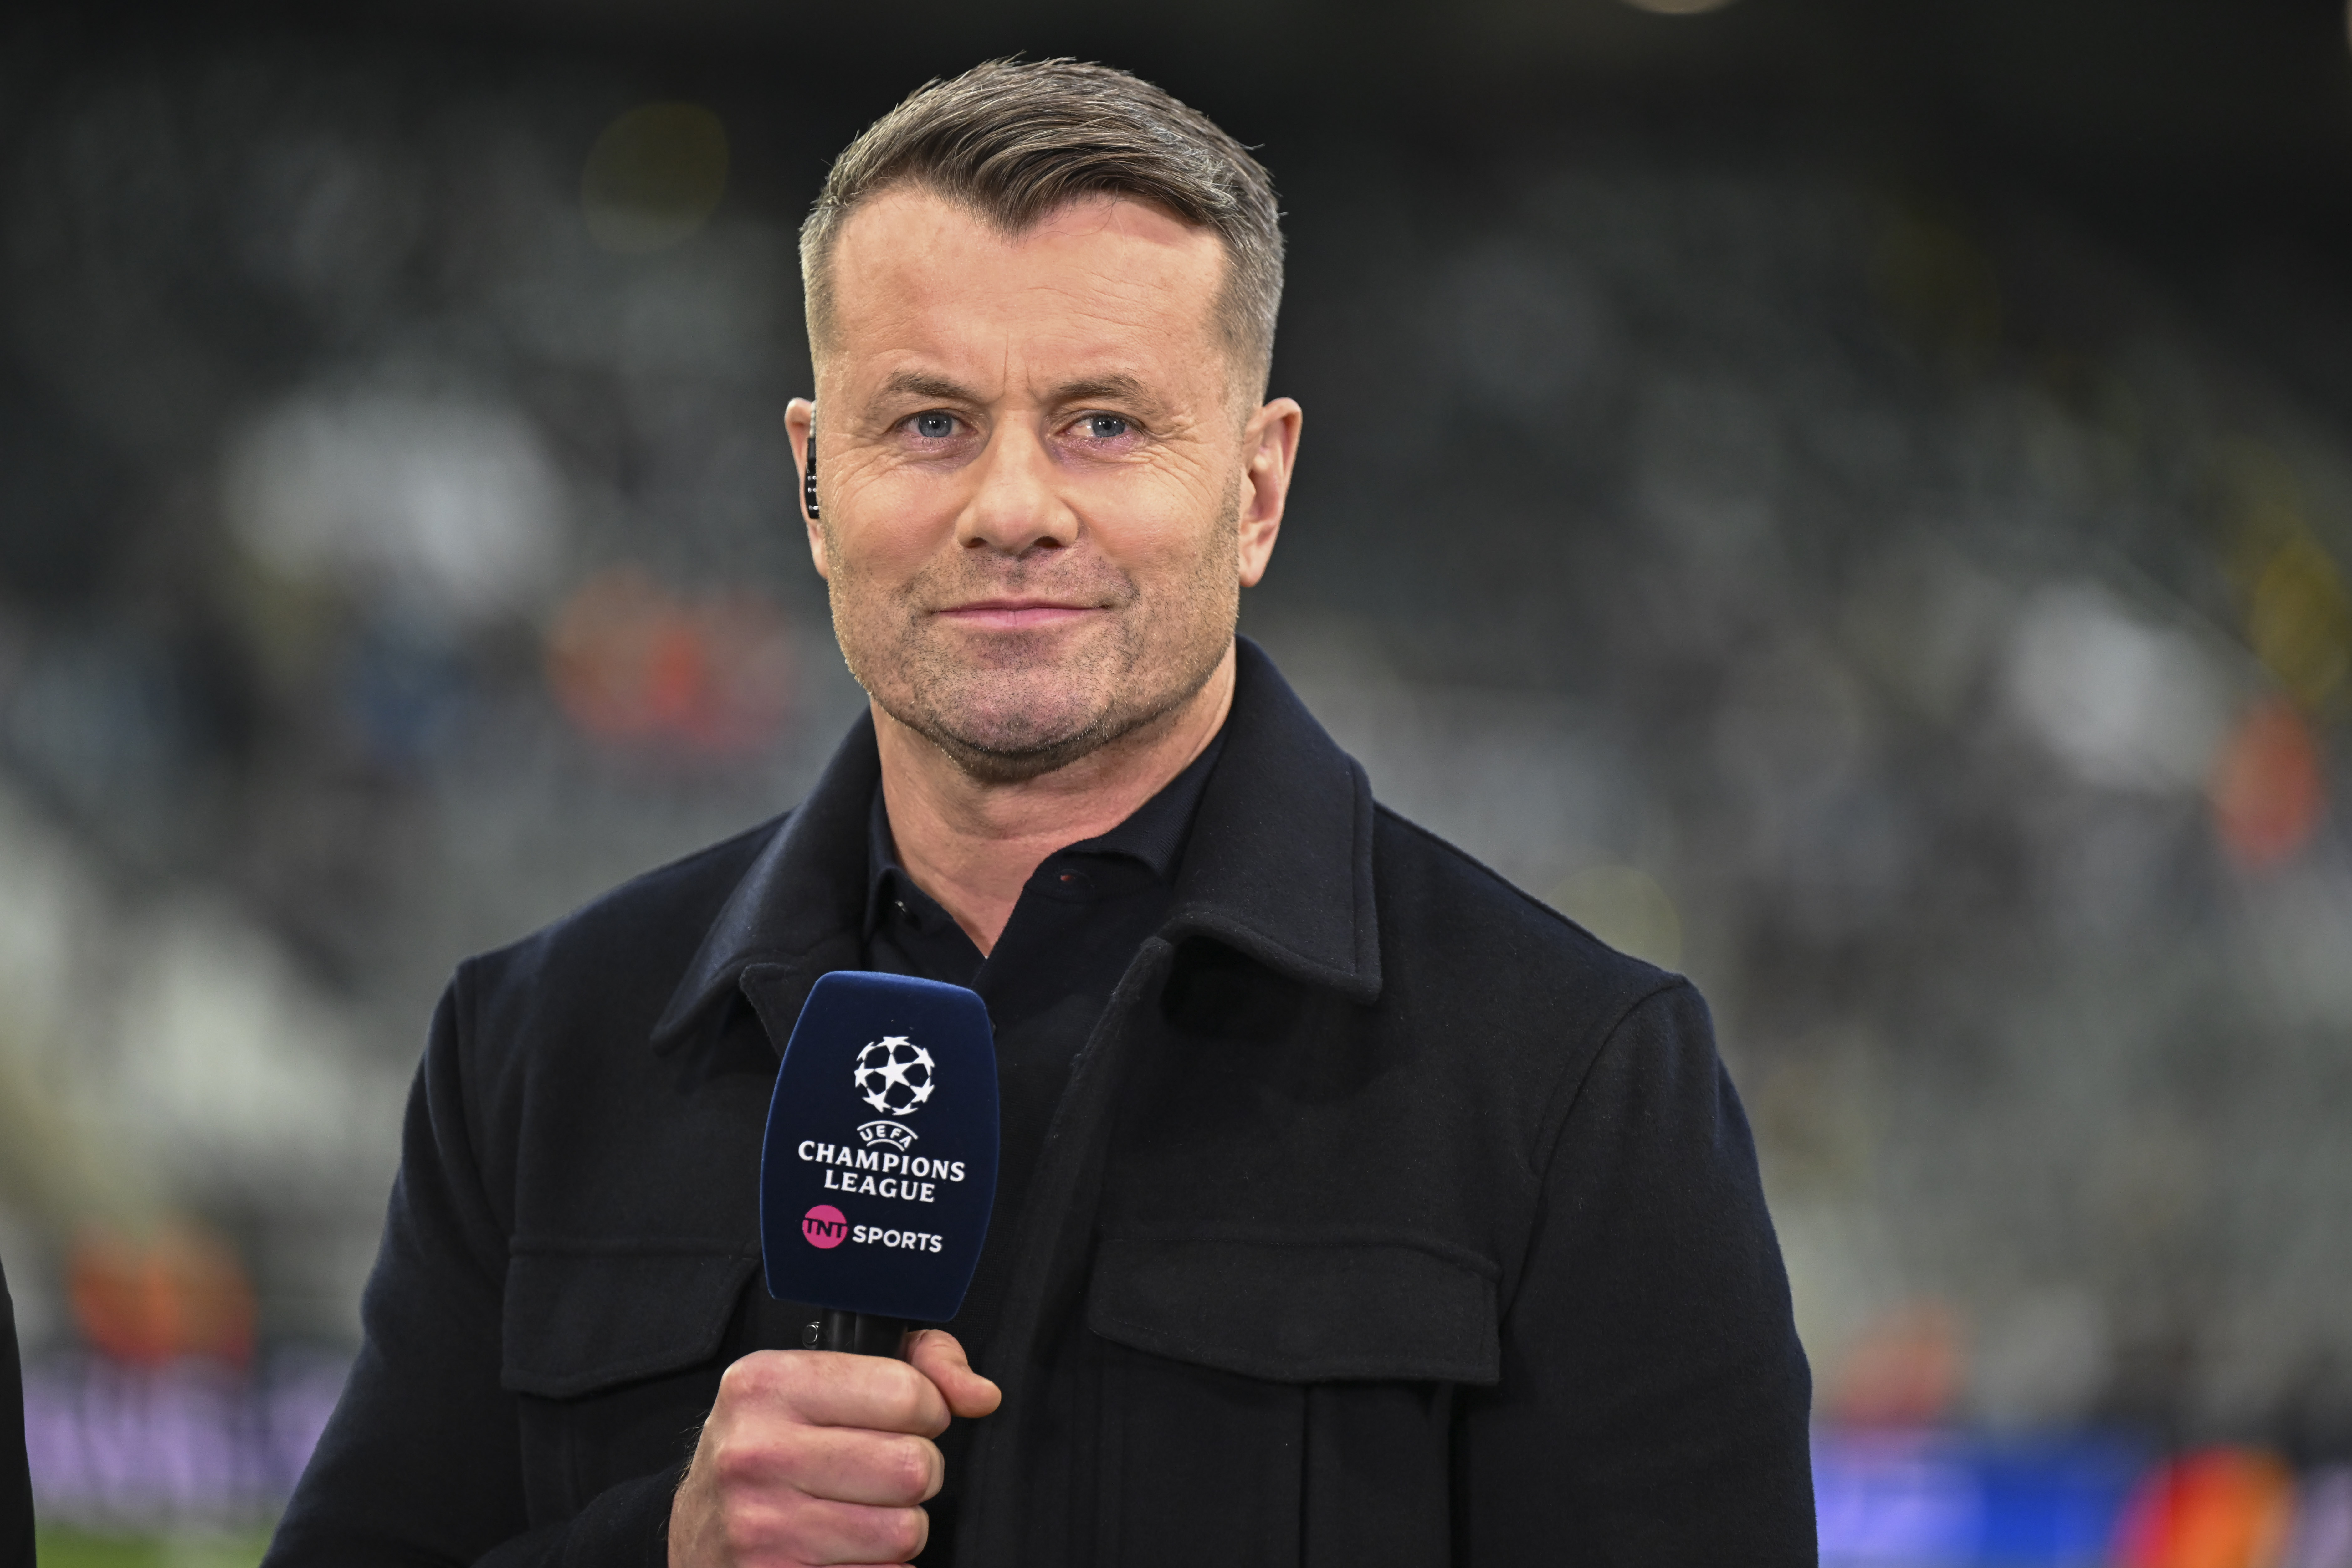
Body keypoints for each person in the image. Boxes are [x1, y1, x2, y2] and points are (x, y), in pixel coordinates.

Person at [264, 59, 1815, 1568]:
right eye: (929, 422)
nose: (1013, 505)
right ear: (813, 482)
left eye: (1105, 423)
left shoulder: (1577, 1077)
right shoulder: (534, 1047)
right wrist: (660, 1549)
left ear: (1258, 489)